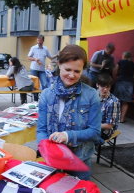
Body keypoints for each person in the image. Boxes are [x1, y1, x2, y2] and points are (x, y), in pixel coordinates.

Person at [36, 45, 103, 180]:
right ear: (59, 64)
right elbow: (41, 130)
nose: (72, 75)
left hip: (79, 159)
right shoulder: (46, 95)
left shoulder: (91, 95)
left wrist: (68, 135)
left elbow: (95, 131)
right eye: (68, 69)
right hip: (53, 160)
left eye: (77, 71)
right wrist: (46, 148)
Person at [96, 74, 121, 140]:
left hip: (105, 131)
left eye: (108, 87)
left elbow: (109, 125)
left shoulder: (113, 102)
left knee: (85, 137)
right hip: (94, 125)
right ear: (97, 85)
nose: (105, 89)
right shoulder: (93, 95)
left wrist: (91, 126)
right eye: (103, 86)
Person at [114, 51, 134, 123]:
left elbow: (115, 70)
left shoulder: (120, 62)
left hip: (120, 82)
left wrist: (115, 78)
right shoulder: (133, 64)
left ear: (123, 56)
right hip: (129, 83)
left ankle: (114, 117)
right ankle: (122, 119)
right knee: (125, 102)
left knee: (116, 100)